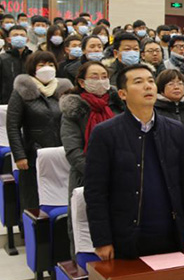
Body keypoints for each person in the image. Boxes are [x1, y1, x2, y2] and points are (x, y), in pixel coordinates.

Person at [84, 64, 184, 260]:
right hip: (127, 235)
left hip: (171, 231)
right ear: (122, 94)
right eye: (138, 82)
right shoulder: (105, 133)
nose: (148, 86)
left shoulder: (175, 130)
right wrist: (102, 240)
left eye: (151, 81)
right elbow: (95, 192)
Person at [60, 61, 125, 257]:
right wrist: (99, 175)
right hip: (86, 177)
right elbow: (73, 151)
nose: (101, 81)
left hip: (122, 175)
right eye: (94, 77)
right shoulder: (74, 110)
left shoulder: (119, 105)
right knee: (86, 232)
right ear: (82, 82)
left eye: (104, 76)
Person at [7, 51, 73, 212]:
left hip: (63, 150)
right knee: (33, 195)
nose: (47, 68)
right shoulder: (22, 90)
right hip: (33, 152)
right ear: (33, 68)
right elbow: (13, 126)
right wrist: (19, 155)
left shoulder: (65, 89)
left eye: (50, 65)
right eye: (41, 65)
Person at [0, 24, 34, 103]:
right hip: (6, 101)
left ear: (27, 40)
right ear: (9, 40)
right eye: (15, 35)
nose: (19, 37)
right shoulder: (2, 59)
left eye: (22, 35)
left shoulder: (33, 58)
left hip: (30, 102)